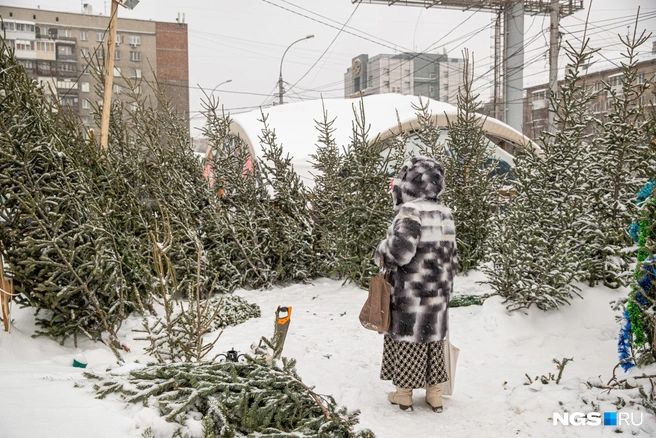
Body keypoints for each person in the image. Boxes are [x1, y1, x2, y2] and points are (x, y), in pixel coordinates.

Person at [374, 156, 457, 413]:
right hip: (439, 290)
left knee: (408, 339)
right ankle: (434, 395)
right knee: (433, 338)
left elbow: (400, 252)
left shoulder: (411, 212)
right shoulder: (445, 212)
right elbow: (452, 255)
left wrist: (380, 251)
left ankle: (404, 394)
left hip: (412, 291)